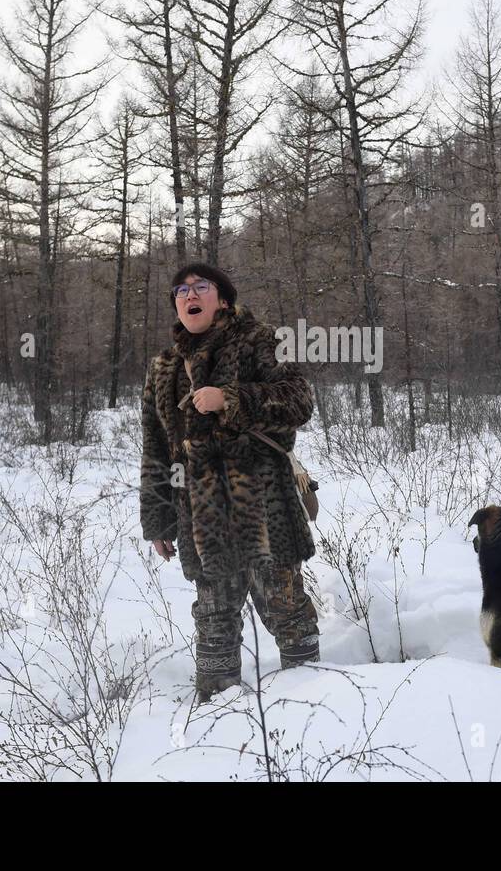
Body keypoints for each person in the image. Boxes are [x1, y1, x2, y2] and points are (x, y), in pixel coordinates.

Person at [139, 262, 320, 701]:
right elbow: (156, 449)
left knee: (287, 612)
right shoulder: (164, 368)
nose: (189, 295)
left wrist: (232, 400)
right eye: (180, 290)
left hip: (265, 508)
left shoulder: (260, 341)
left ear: (222, 298)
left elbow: (299, 400)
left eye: (201, 287)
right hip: (202, 520)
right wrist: (159, 520)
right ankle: (218, 724)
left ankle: (316, 709)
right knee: (214, 623)